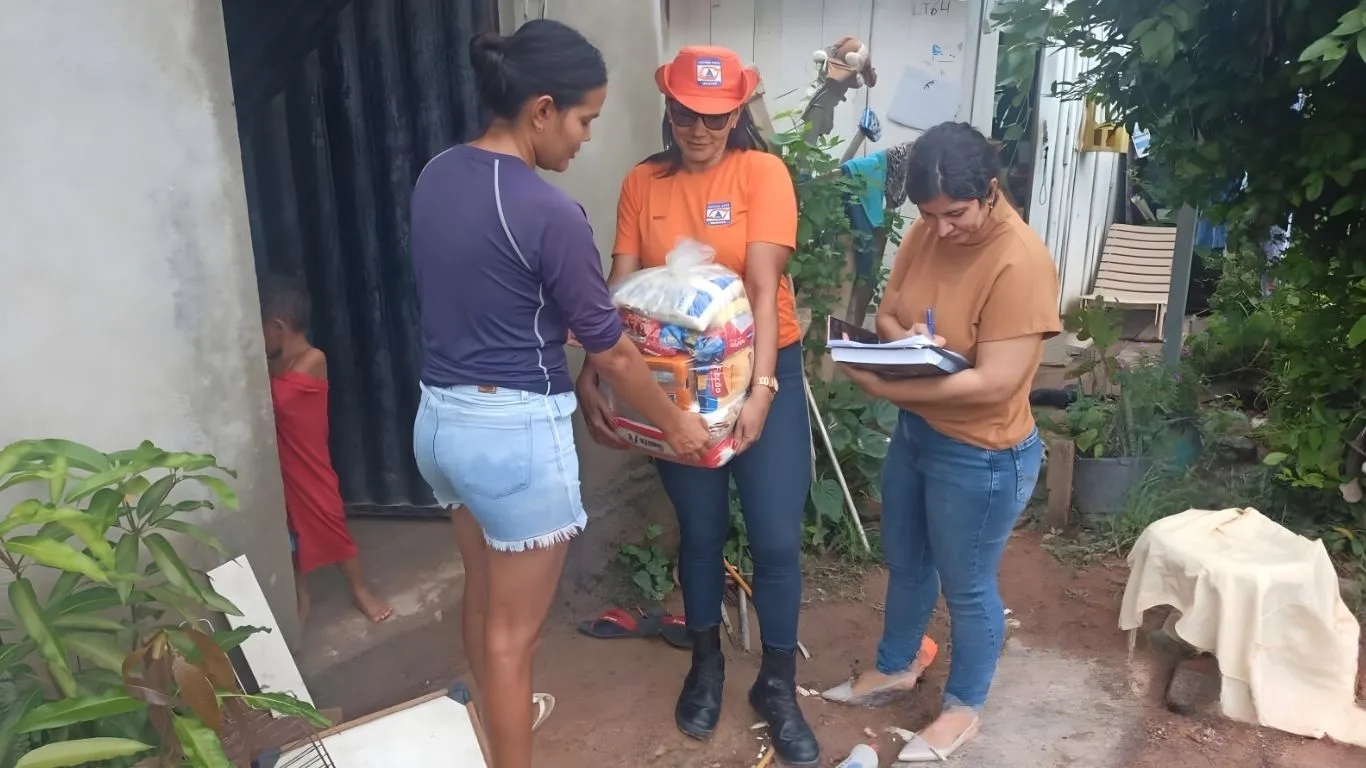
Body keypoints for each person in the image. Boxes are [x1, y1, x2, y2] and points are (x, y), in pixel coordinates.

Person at [408, 20, 711, 768]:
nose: (584, 139)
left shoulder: (436, 173)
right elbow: (611, 350)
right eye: (584, 120)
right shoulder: (549, 213)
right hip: (512, 436)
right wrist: (676, 423)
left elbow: (486, 292)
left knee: (484, 601)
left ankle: (494, 727)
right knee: (515, 638)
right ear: (542, 109)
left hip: (440, 424)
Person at [575, 46, 819, 767]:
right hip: (674, 386)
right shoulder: (642, 183)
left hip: (762, 366)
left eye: (716, 116)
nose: (700, 128)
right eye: (686, 112)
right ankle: (706, 664)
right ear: (668, 108)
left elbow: (767, 288)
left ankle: (778, 685)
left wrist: (764, 388)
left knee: (775, 538)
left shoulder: (762, 173)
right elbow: (618, 287)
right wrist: (598, 367)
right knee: (701, 530)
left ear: (738, 112)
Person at [823, 122, 1061, 763]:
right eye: (928, 216)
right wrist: (921, 351)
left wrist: (896, 383)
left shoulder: (1022, 260)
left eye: (954, 214)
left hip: (982, 452)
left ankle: (962, 708)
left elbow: (995, 383)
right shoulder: (929, 231)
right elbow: (889, 313)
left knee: (968, 585)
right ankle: (897, 666)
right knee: (906, 560)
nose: (940, 230)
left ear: (989, 190)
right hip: (920, 432)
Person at [261, 275, 392, 626]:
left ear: (277, 327)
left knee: (331, 525)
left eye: (262, 330)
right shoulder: (274, 365)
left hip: (309, 464)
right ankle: (300, 597)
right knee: (288, 533)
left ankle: (360, 589)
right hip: (282, 466)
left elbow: (277, 399)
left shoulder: (312, 358)